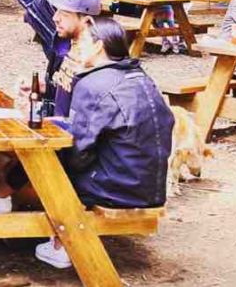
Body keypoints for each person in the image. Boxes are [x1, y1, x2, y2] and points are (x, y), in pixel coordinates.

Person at [33, 16, 174, 269]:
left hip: (118, 188)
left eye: (82, 41)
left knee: (48, 164)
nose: (77, 48)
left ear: (99, 47)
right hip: (150, 184)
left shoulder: (92, 83)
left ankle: (64, 243)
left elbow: (79, 151)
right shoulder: (141, 77)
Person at [0, 0, 104, 214]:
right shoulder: (72, 48)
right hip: (62, 131)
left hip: (77, 145)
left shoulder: (94, 57)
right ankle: (1, 192)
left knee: (26, 141)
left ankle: (3, 194)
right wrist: (43, 88)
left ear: (86, 21)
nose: (55, 18)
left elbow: (89, 108)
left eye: (64, 14)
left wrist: (49, 123)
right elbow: (67, 87)